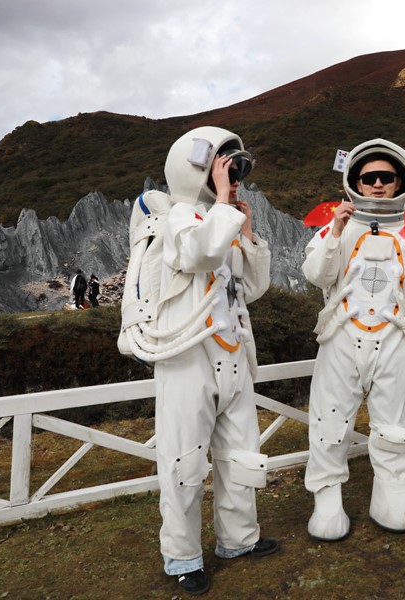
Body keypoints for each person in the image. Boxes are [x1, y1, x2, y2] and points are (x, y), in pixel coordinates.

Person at [143, 126, 277, 594]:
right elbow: (198, 253)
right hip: (187, 358)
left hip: (232, 352)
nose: (235, 176)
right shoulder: (177, 218)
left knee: (240, 452)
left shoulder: (222, 218)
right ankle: (182, 557)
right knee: (183, 460)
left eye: (237, 168)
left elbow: (252, 289)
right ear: (196, 167)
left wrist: (249, 232)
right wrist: (221, 204)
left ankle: (238, 539)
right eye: (224, 166)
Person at [302, 139, 405, 541]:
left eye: (386, 177)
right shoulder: (334, 222)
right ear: (356, 182)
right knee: (330, 420)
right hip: (341, 334)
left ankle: (391, 490)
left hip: (395, 335)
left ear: (400, 182)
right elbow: (317, 275)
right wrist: (337, 233)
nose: (377, 185)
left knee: (392, 423)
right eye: (369, 178)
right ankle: (327, 497)